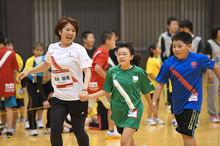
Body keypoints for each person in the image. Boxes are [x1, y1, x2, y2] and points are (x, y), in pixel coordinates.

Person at [19, 17, 91, 146]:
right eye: (67, 30)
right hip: (59, 97)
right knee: (55, 130)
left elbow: (88, 70)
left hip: (77, 97)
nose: (71, 33)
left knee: (78, 130)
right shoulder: (52, 48)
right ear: (59, 31)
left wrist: (85, 89)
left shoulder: (79, 49)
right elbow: (46, 65)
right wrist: (29, 71)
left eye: (73, 31)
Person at [80, 42, 156, 146]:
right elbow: (106, 90)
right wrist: (89, 96)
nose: (121, 56)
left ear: (131, 56)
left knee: (124, 142)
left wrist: (152, 106)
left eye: (124, 54)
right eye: (118, 54)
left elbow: (146, 91)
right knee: (129, 141)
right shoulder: (111, 71)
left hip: (134, 109)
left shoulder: (139, 72)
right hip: (118, 111)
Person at [152, 32, 220, 146]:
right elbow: (160, 83)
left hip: (193, 103)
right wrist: (154, 100)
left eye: (179, 46)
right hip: (178, 104)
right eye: (174, 46)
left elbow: (215, 66)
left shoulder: (198, 58)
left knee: (187, 133)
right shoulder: (168, 63)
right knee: (187, 135)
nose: (176, 49)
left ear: (189, 47)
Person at [87, 31, 121, 139]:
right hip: (100, 86)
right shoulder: (104, 53)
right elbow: (97, 68)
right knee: (112, 106)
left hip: (91, 84)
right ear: (107, 41)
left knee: (88, 109)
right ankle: (111, 131)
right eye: (113, 40)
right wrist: (108, 78)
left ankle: (75, 123)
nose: (114, 42)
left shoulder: (98, 51)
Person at [158, 17, 179, 126]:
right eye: (173, 24)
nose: (176, 26)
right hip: (166, 62)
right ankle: (169, 102)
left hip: (176, 64)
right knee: (166, 85)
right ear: (168, 26)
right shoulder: (163, 36)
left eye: (177, 24)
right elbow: (161, 50)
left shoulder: (179, 37)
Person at [24, 43, 46, 136]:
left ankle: (39, 119)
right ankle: (30, 123)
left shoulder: (44, 60)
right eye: (37, 50)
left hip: (41, 82)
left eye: (41, 50)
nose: (39, 52)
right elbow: (30, 72)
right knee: (32, 102)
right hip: (31, 82)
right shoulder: (30, 60)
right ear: (33, 51)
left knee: (41, 101)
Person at [0, 31, 18, 138]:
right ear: (5, 41)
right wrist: (14, 81)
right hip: (8, 82)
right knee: (9, 106)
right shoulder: (11, 53)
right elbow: (15, 70)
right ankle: (10, 129)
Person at [5, 40, 24, 134]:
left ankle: (13, 126)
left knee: (16, 106)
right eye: (7, 45)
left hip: (16, 84)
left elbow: (17, 68)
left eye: (10, 45)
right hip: (4, 83)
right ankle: (5, 124)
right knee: (4, 106)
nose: (9, 46)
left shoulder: (16, 56)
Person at [145, 43, 165, 125]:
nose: (160, 49)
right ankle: (149, 118)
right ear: (153, 50)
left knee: (156, 101)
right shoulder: (150, 60)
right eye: (158, 48)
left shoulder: (157, 60)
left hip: (157, 85)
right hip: (151, 85)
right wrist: (158, 79)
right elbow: (149, 73)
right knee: (151, 102)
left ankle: (155, 117)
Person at [204, 24, 220, 122]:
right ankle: (212, 114)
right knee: (212, 93)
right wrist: (209, 72)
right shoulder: (209, 43)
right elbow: (207, 59)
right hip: (213, 71)